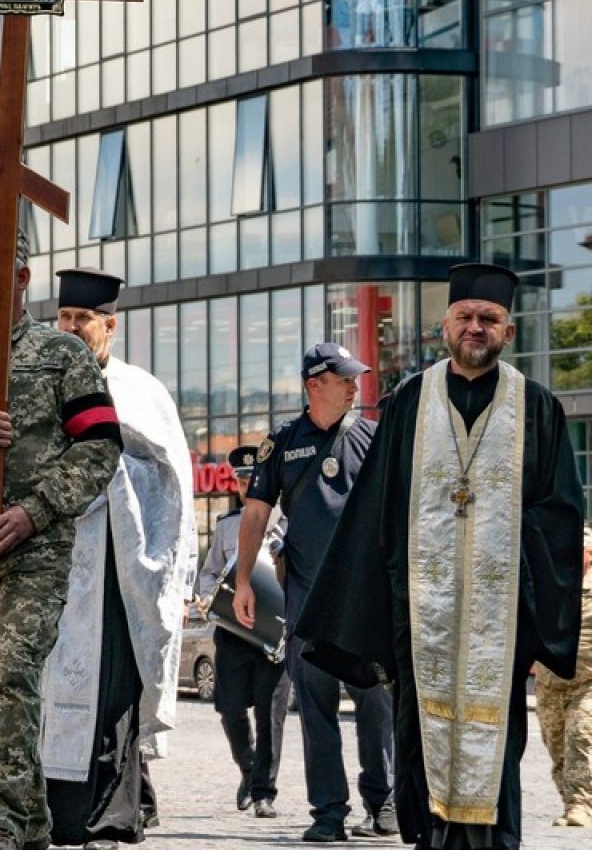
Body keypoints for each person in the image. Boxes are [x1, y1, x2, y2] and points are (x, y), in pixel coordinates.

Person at [297, 263, 587, 850]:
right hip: (420, 613)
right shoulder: (409, 402)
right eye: (465, 317)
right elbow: (376, 511)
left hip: (499, 616)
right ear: (445, 326)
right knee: (418, 733)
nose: (475, 327)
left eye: (489, 319)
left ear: (508, 332)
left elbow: (560, 514)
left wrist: (530, 608)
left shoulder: (538, 408)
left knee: (497, 736)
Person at [0, 222, 123, 850]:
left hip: (32, 547)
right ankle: (31, 820)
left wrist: (37, 511)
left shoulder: (62, 354)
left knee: (13, 677)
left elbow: (100, 447)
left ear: (21, 278)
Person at [42, 268, 197, 847]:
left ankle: (112, 816)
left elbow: (176, 484)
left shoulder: (143, 391)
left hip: (122, 567)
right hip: (57, 560)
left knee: (114, 692)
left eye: (83, 319)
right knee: (52, 687)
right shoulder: (40, 380)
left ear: (110, 324)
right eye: (63, 318)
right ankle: (60, 813)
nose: (72, 328)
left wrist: (179, 580)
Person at [234, 342, 395, 843]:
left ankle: (383, 802)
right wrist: (243, 580)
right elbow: (257, 514)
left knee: (374, 704)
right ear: (313, 385)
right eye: (344, 378)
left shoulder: (372, 437)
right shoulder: (281, 444)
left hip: (365, 599)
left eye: (355, 378)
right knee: (317, 707)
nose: (354, 385)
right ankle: (329, 812)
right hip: (307, 598)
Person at [195, 463, 294, 821]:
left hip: (274, 636)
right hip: (234, 632)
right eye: (241, 481)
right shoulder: (226, 526)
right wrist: (208, 598)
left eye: (253, 479)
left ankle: (264, 792)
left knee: (271, 715)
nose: (247, 486)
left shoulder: (289, 522)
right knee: (229, 706)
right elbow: (208, 573)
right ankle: (248, 766)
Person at [536, 521, 591, 827]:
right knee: (556, 747)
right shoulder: (549, 582)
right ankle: (569, 799)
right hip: (550, 682)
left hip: (588, 682)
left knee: (580, 735)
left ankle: (581, 805)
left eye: (581, 551)